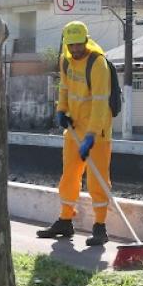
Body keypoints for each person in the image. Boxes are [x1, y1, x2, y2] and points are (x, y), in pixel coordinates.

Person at [36, 20, 114, 247]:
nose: (76, 49)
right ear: (66, 45)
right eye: (72, 46)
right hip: (74, 127)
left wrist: (91, 135)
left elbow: (101, 102)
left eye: (79, 45)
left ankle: (100, 227)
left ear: (86, 41)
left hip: (97, 130)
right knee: (69, 174)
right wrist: (61, 110)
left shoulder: (98, 64)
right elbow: (65, 88)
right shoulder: (66, 61)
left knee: (97, 179)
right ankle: (65, 220)